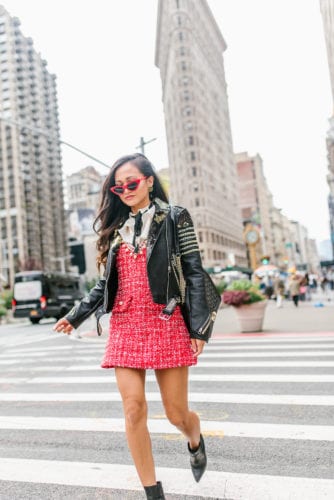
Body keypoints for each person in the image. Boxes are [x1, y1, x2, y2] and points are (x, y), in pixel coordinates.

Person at [53, 153, 213, 500]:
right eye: (119, 186)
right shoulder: (115, 231)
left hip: (165, 319)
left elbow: (195, 270)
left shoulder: (175, 217)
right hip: (125, 324)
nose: (125, 190)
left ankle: (194, 434)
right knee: (133, 407)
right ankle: (152, 492)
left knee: (175, 413)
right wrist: (75, 315)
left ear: (150, 181)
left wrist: (199, 327)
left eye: (132, 183)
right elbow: (105, 285)